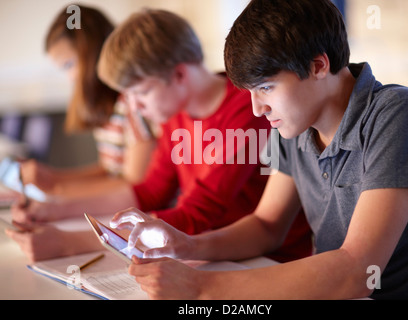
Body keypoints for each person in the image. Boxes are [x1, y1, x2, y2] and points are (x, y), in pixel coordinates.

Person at [110, 0, 408, 300]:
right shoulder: (296, 127)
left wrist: (200, 288)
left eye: (266, 88)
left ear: (318, 66)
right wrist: (187, 245)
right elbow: (266, 226)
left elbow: (357, 271)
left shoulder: (396, 113)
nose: (258, 109)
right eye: (251, 93)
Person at [7, 8, 312, 263]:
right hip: (211, 253)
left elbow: (198, 211)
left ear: (179, 75)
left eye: (141, 93)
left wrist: (71, 243)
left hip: (267, 260)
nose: (135, 107)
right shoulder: (174, 113)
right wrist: (53, 210)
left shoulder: (246, 109)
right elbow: (150, 192)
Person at [19, 5, 157, 199]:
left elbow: (133, 181)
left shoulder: (132, 102)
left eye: (69, 65)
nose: (70, 78)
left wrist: (58, 193)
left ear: (91, 56)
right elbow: (109, 169)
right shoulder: (107, 107)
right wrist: (53, 178)